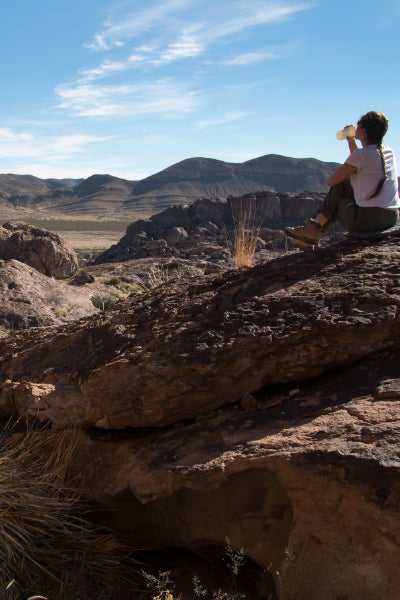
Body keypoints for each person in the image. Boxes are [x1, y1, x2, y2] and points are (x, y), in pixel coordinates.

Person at [285, 111, 400, 249]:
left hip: (369, 221)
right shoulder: (389, 152)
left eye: (358, 127)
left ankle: (312, 231)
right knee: (345, 185)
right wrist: (351, 140)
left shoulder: (362, 155)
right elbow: (362, 162)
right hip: (391, 218)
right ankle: (312, 233)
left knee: (339, 190)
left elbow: (332, 181)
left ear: (363, 131)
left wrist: (351, 138)